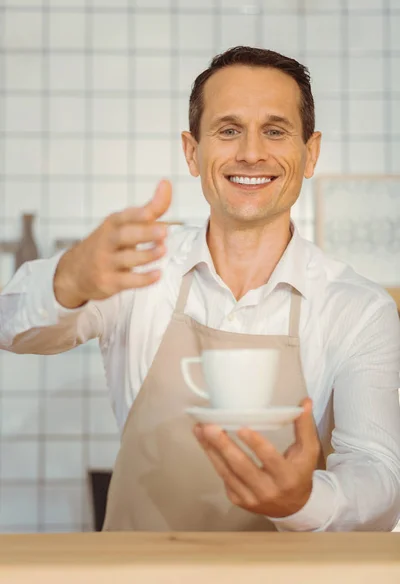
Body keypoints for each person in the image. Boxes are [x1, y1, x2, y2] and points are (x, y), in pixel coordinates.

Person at [1, 46, 399, 532]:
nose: (252, 152)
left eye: (275, 130)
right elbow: (11, 330)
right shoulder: (139, 272)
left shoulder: (358, 309)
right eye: (229, 130)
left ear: (309, 152)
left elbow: (378, 470)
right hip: (133, 574)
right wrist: (69, 277)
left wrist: (304, 501)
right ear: (193, 152)